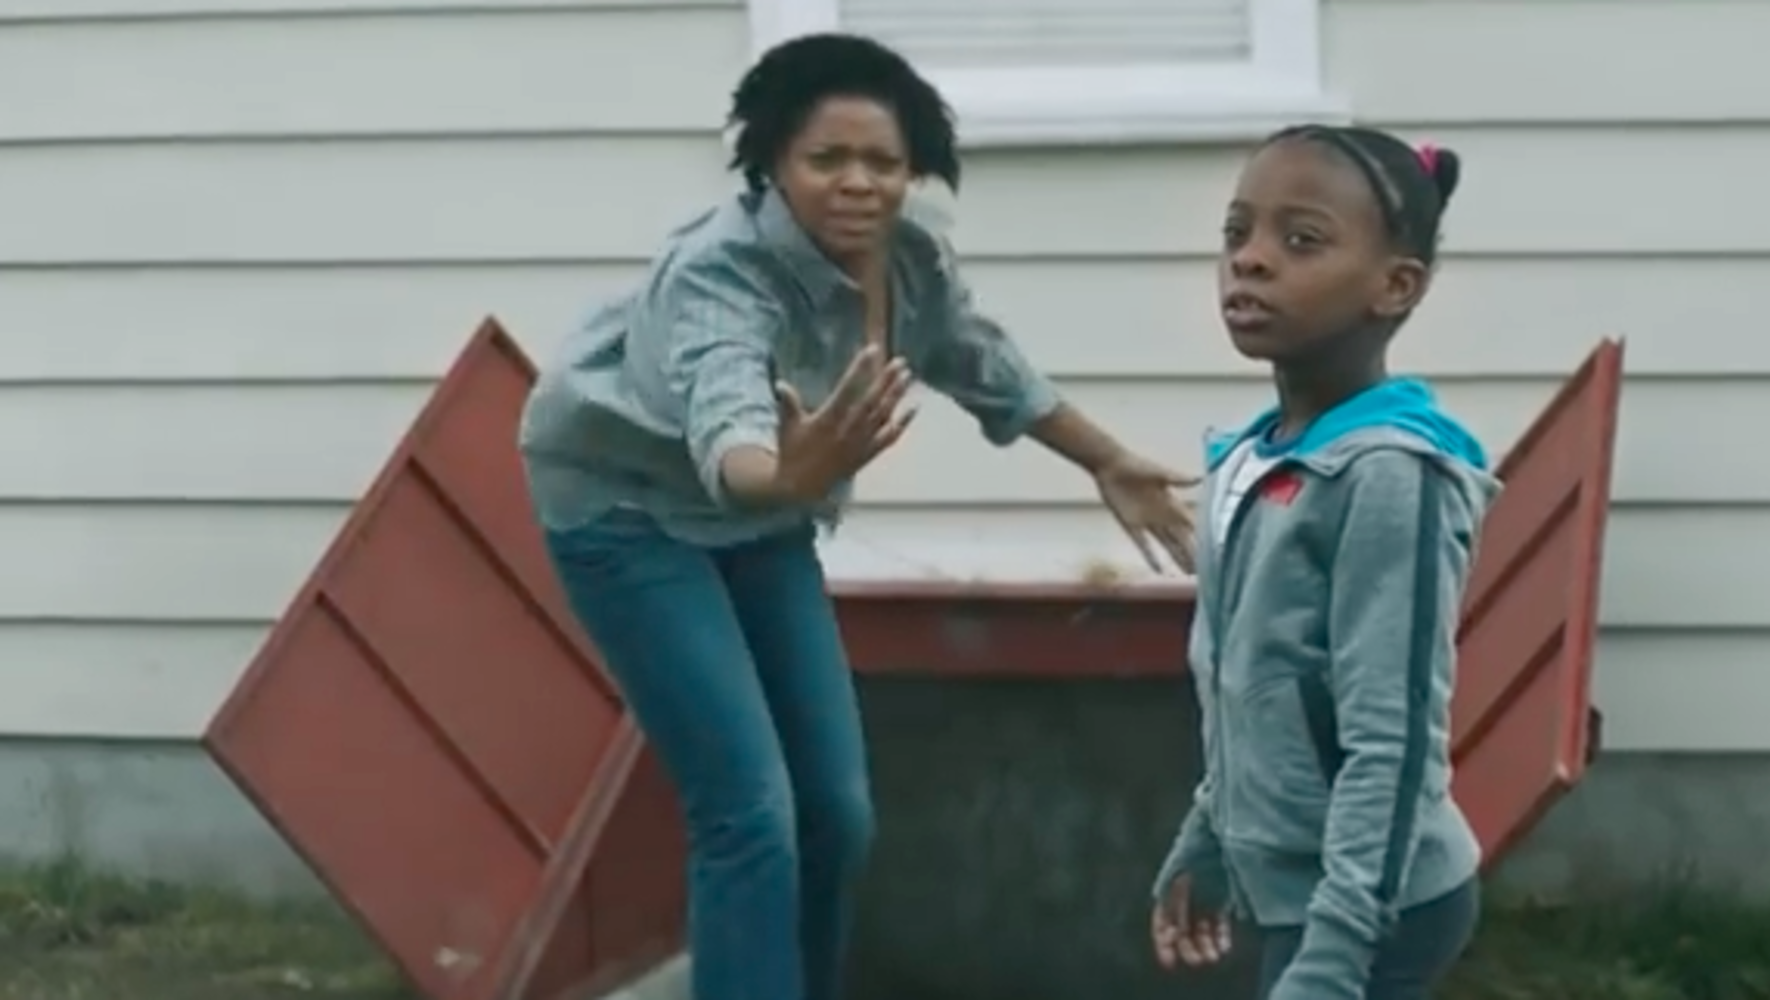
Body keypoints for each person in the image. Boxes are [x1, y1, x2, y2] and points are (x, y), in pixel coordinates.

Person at [516, 31, 1198, 1000]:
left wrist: (1106, 459)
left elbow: (980, 361)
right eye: (823, 159)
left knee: (835, 809)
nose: (855, 183)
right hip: (630, 512)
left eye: (880, 161)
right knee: (747, 811)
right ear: (772, 164)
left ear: (913, 169)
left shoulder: (911, 260)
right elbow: (729, 428)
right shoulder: (720, 271)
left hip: (764, 517)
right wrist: (776, 473)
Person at [1147, 124, 1493, 1000]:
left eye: (1300, 241)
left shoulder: (1389, 476)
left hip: (1377, 900)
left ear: (1395, 285)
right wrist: (1212, 831)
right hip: (1306, 889)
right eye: (1238, 234)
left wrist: (1339, 957)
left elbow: (1395, 738)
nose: (1251, 261)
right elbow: (1254, 679)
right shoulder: (1256, 459)